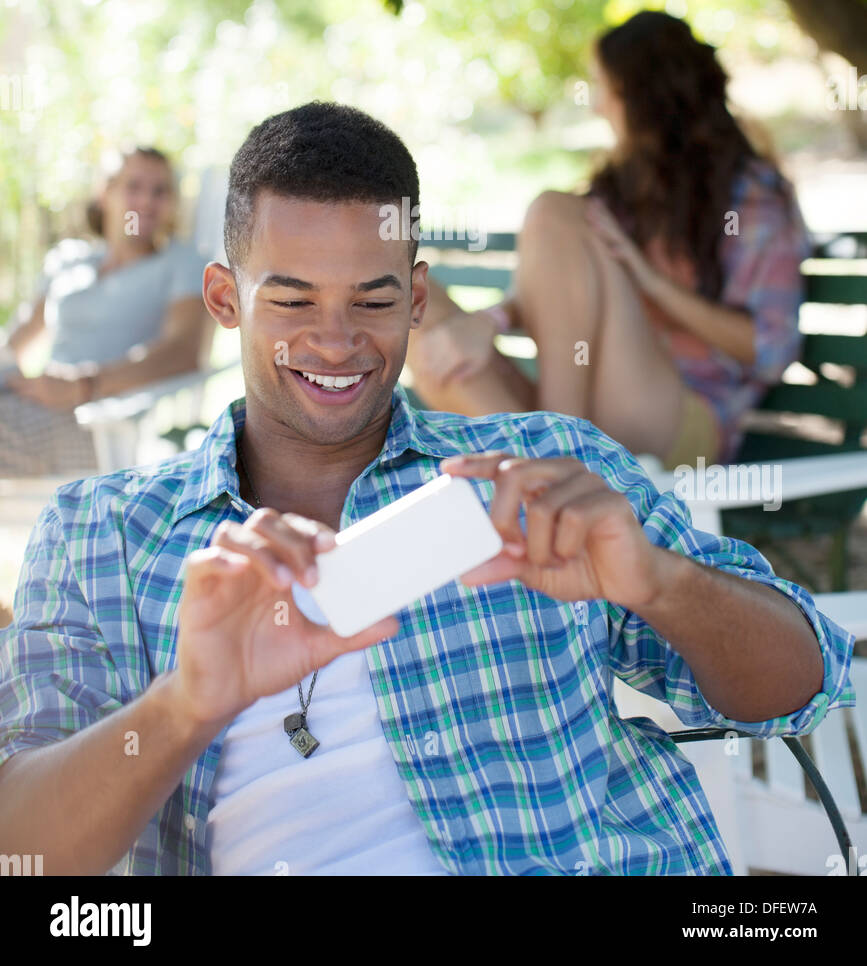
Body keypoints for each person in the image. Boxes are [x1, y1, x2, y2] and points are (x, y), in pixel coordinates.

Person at [0, 103, 853, 876]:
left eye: (372, 301)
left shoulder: (544, 467)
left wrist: (661, 585)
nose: (334, 342)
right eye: (292, 301)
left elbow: (806, 682)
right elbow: (24, 851)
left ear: (416, 297)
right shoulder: (101, 533)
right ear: (225, 298)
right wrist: (185, 706)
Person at [405, 12, 814, 469]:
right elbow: (560, 291)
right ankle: (548, 471)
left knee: (553, 210)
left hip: (679, 417)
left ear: (643, 99)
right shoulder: (620, 189)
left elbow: (771, 350)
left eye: (604, 88)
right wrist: (488, 321)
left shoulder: (752, 198)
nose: (597, 106)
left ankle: (554, 462)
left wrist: (652, 284)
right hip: (586, 406)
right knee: (415, 302)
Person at [0, 146, 213, 477]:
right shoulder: (69, 260)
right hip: (36, 403)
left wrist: (83, 385)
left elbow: (183, 353)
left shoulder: (182, 264)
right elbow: (15, 343)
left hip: (99, 423)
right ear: (105, 193)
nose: (146, 202)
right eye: (133, 187)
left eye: (160, 191)